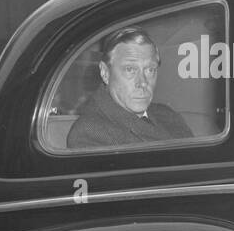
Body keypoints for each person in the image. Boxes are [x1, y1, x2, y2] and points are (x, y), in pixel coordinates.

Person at [66, 26, 194, 148]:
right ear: (105, 73)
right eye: (130, 69)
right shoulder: (89, 133)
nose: (142, 83)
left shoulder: (168, 115)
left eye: (150, 70)